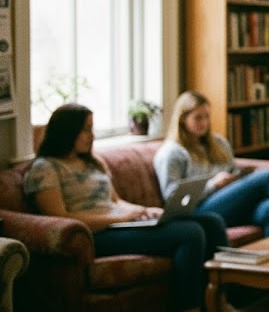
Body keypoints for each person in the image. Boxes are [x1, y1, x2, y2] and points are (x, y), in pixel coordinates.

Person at [24, 103, 227, 312]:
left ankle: (218, 302)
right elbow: (60, 219)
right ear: (67, 131)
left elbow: (116, 201)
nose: (91, 136)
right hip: (96, 235)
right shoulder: (45, 169)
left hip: (121, 224)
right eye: (86, 129)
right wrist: (120, 218)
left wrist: (143, 210)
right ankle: (190, 308)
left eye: (92, 129)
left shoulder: (93, 162)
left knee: (211, 222)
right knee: (190, 233)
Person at [154, 90, 269, 236]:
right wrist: (214, 185)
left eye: (207, 116)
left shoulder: (218, 142)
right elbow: (172, 197)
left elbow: (232, 170)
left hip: (231, 203)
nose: (204, 123)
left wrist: (235, 178)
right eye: (198, 118)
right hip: (201, 210)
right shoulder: (172, 152)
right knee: (266, 177)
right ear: (182, 119)